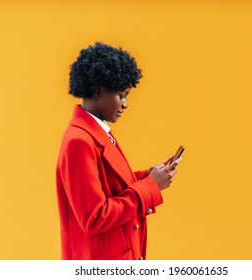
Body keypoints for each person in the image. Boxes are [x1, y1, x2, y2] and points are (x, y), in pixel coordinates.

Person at [56, 42, 181, 260]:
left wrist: (148, 176)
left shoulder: (97, 132)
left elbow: (108, 186)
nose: (125, 104)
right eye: (121, 95)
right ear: (98, 91)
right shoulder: (80, 141)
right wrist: (150, 187)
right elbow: (95, 217)